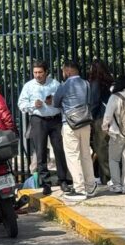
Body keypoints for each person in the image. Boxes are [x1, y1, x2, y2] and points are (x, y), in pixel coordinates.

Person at [18, 60, 71, 196]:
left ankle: (63, 180)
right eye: (35, 72)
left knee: (59, 150)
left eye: (40, 72)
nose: (37, 75)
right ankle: (45, 183)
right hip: (38, 120)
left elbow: (65, 101)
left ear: (46, 72)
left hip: (55, 120)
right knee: (40, 152)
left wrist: (53, 101)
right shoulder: (28, 86)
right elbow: (21, 104)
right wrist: (33, 105)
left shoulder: (55, 84)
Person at [53, 61, 97, 201]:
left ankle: (79, 189)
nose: (62, 73)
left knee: (73, 156)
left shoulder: (64, 86)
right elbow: (90, 101)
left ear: (68, 71)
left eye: (63, 71)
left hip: (70, 124)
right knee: (86, 154)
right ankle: (90, 186)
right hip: (85, 122)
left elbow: (55, 103)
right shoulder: (86, 84)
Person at [88, 59, 114, 184]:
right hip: (113, 118)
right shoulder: (111, 83)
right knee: (111, 148)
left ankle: (108, 177)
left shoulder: (95, 83)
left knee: (101, 149)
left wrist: (90, 117)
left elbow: (94, 102)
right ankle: (108, 177)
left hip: (101, 118)